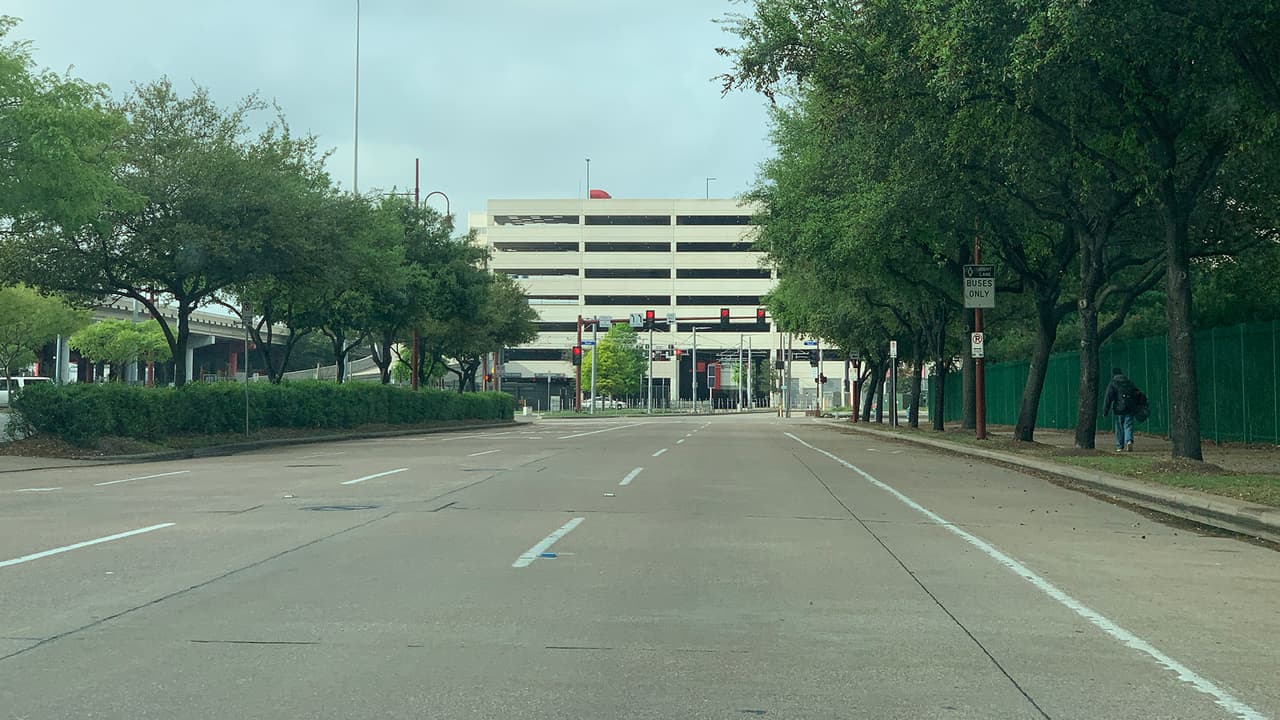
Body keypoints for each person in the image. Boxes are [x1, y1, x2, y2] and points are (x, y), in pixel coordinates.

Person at [1103, 367, 1138, 452]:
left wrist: (1105, 411)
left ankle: (1119, 446)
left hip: (1118, 408)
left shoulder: (1113, 383)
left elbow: (1108, 397)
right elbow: (1136, 394)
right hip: (1129, 407)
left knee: (1119, 427)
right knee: (1128, 425)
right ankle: (1129, 441)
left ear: (1113, 374)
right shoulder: (1129, 382)